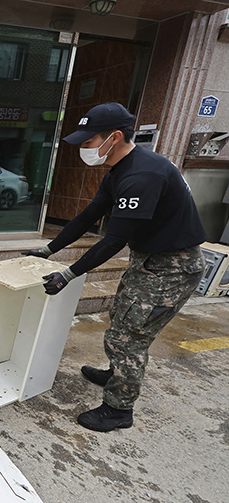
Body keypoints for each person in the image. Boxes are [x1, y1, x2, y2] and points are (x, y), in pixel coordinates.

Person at [22, 102, 207, 432]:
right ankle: (116, 373)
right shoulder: (119, 168)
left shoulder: (142, 176)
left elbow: (113, 240)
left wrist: (67, 275)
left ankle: (118, 408)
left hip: (172, 269)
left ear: (115, 137)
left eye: (88, 141)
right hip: (150, 262)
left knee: (129, 337)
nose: (83, 149)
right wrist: (48, 249)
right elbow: (86, 217)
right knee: (122, 318)